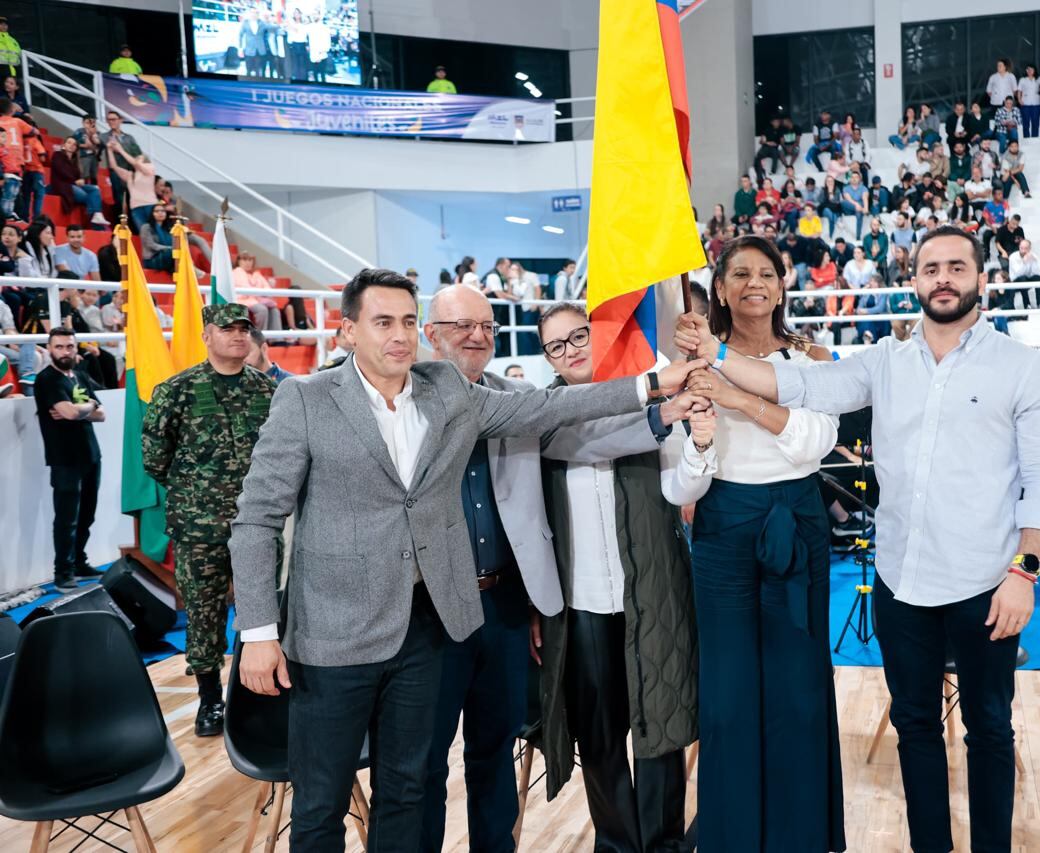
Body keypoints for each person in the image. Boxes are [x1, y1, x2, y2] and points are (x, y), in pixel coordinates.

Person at [228, 269, 702, 849]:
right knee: (323, 805)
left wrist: (653, 385)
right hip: (336, 635)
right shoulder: (304, 398)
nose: (398, 335)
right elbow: (256, 519)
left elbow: (555, 407)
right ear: (348, 330)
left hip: (448, 621)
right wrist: (257, 630)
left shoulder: (451, 392)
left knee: (409, 786)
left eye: (405, 320)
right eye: (384, 322)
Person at [676, 224, 1040, 853]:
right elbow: (801, 384)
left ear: (979, 280)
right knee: (914, 726)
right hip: (901, 581)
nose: (943, 278)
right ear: (914, 281)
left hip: (986, 581)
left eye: (956, 267)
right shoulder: (883, 363)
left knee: (990, 728)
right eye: (930, 268)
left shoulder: (1022, 367)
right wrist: (716, 355)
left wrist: (1025, 570)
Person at [662, 235, 844, 852]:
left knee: (799, 687)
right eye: (739, 273)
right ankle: (733, 834)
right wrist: (703, 443)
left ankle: (800, 834)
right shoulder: (687, 365)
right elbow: (679, 485)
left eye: (766, 272)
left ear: (783, 285)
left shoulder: (811, 355)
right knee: (729, 690)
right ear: (719, 288)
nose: (753, 283)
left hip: (798, 523)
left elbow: (815, 442)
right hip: (722, 532)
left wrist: (739, 396)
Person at [533, 301, 702, 853]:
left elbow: (682, 490)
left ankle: (664, 844)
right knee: (598, 736)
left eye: (579, 334)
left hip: (649, 592)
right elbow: (582, 441)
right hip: (582, 602)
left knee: (657, 728)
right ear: (548, 359)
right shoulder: (542, 418)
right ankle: (616, 844)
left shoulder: (650, 395)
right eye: (556, 345)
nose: (571, 349)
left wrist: (697, 442)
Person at [142, 303, 277, 737]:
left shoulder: (268, 390)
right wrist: (200, 493)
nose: (238, 336)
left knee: (268, 605)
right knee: (203, 611)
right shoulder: (176, 391)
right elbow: (154, 459)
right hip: (200, 526)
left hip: (259, 522)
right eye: (227, 329)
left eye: (244, 329)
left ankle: (266, 692)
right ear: (207, 335)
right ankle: (209, 700)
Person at [34, 328, 106, 593]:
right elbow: (69, 411)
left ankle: (78, 562)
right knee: (66, 519)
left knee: (87, 514)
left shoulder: (81, 376)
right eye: (60, 347)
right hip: (64, 459)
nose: (66, 351)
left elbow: (102, 414)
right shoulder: (47, 380)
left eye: (69, 346)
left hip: (91, 455)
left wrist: (82, 410)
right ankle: (62, 572)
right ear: (50, 349)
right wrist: (87, 408)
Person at [48, 136, 107, 228]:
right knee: (89, 197)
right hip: (63, 186)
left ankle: (97, 216)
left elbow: (78, 177)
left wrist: (81, 180)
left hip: (74, 185)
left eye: (74, 144)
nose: (72, 145)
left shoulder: (76, 161)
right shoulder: (57, 155)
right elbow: (62, 171)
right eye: (69, 143)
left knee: (95, 189)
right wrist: (75, 181)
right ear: (64, 145)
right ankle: (96, 222)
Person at [105, 138, 157, 232]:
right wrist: (109, 149)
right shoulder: (130, 175)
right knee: (143, 234)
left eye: (139, 158)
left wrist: (120, 149)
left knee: (155, 232)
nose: (136, 159)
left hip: (150, 205)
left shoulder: (150, 168)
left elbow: (135, 164)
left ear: (145, 160)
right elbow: (114, 166)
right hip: (136, 208)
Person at [231, 252, 284, 330]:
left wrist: (263, 293)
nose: (248, 263)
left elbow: (267, 288)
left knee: (274, 310)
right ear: (238, 261)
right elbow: (246, 288)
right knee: (262, 309)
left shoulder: (257, 274)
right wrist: (261, 294)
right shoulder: (237, 272)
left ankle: (276, 340)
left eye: (250, 260)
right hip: (243, 300)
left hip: (256, 300)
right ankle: (259, 337)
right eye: (244, 260)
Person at [140, 204, 175, 272]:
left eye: (163, 211)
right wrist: (169, 248)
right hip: (152, 259)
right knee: (173, 252)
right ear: (152, 214)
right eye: (156, 211)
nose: (160, 213)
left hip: (167, 255)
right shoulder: (146, 227)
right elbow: (151, 245)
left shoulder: (168, 229)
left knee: (180, 252)